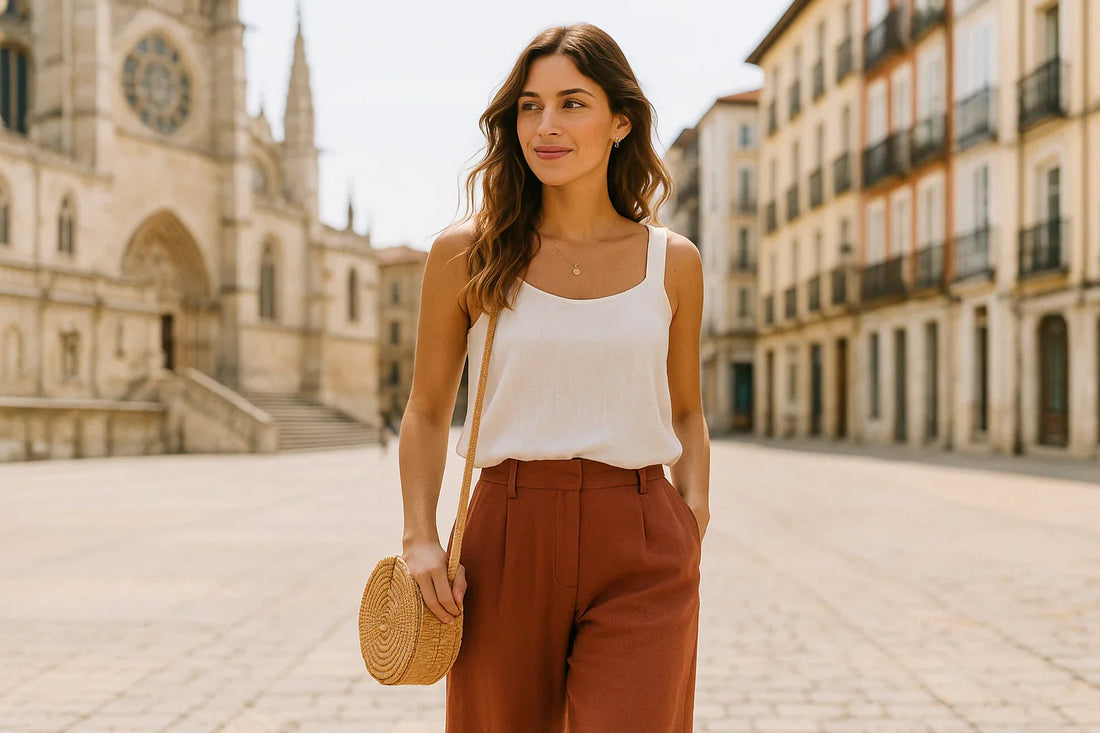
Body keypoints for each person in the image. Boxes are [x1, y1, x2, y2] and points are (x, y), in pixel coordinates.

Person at [398, 22, 710, 732]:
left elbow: (688, 410)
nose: (546, 125)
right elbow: (424, 408)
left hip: (641, 534)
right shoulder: (466, 253)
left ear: (620, 121)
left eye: (572, 103)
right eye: (530, 106)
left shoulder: (674, 262)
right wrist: (420, 534)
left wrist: (693, 513)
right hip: (506, 533)